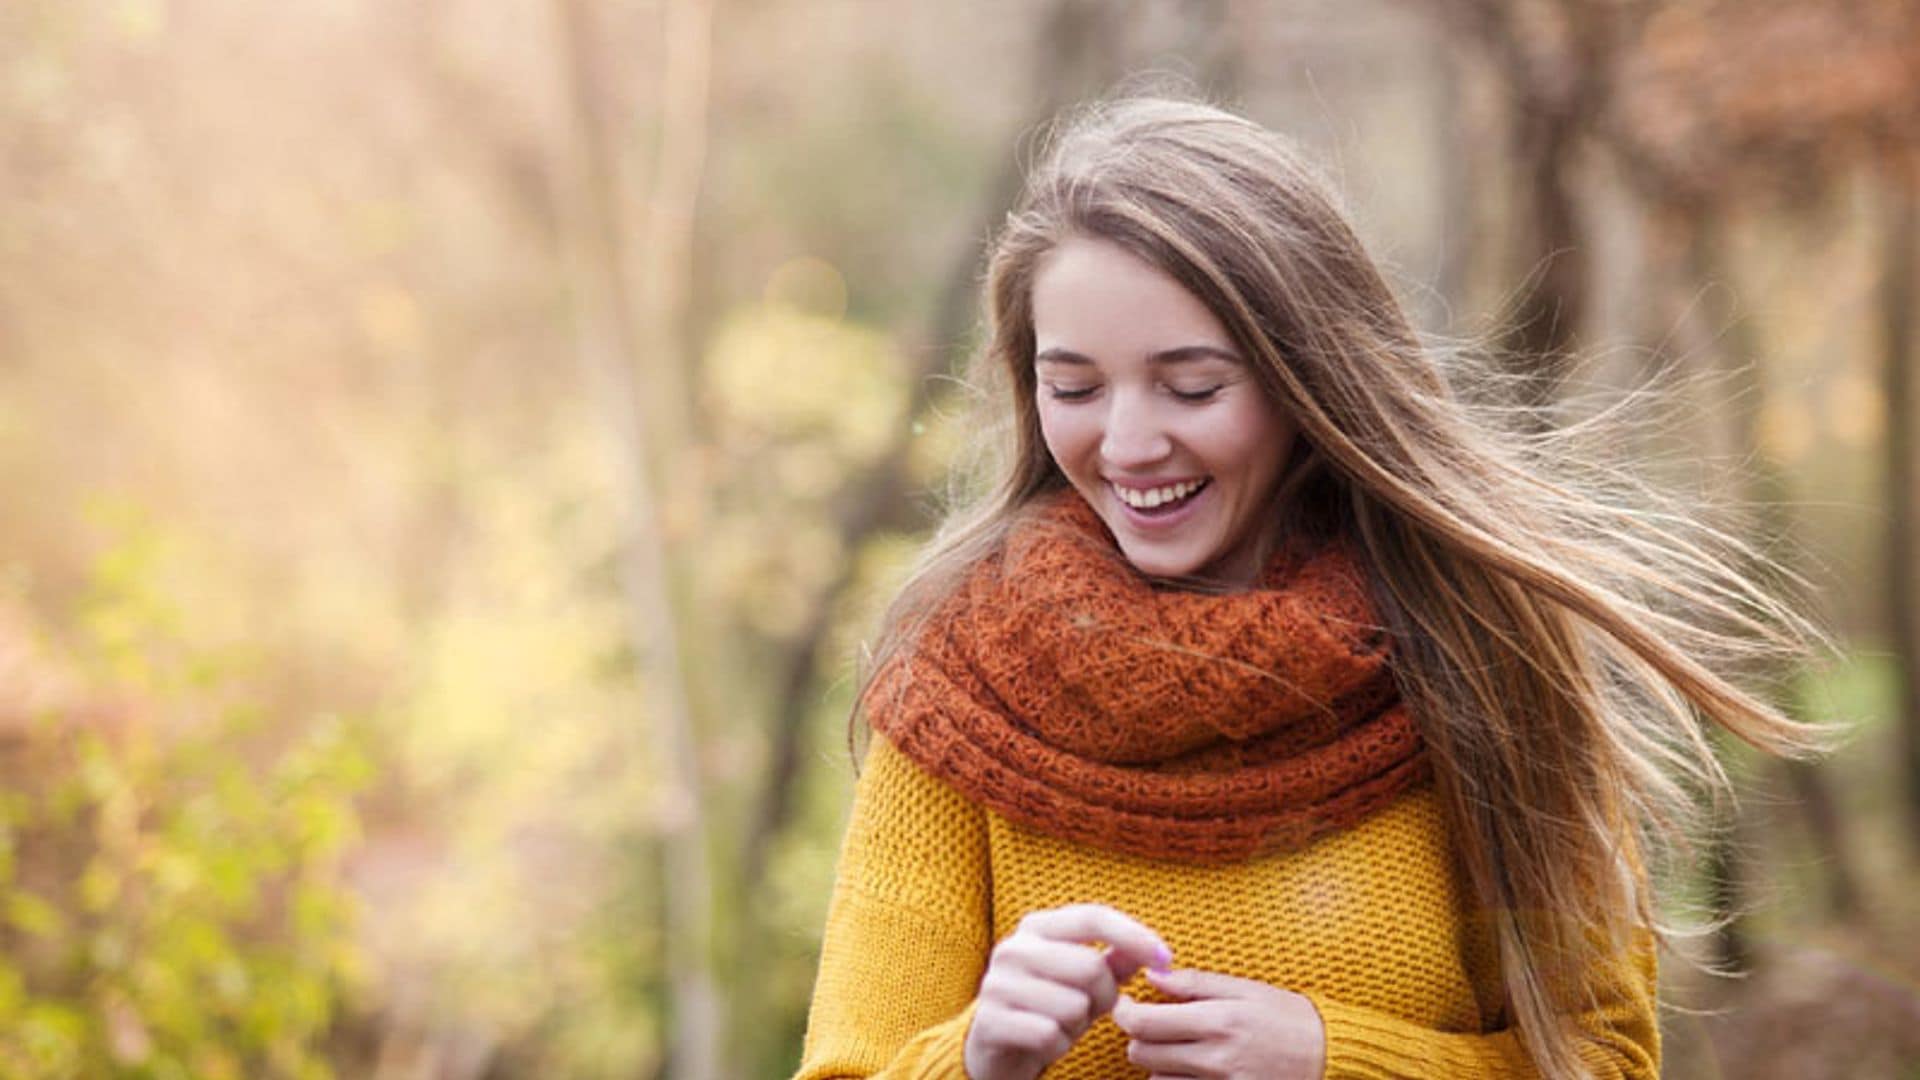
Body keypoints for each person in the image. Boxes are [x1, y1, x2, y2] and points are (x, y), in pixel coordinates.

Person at [792, 94, 1826, 1079]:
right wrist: (974, 1058)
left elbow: (1603, 1062)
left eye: (1193, 385)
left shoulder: (1479, 658)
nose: (1129, 442)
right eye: (1075, 387)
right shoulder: (963, 694)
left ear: (1306, 378)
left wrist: (1339, 1059)